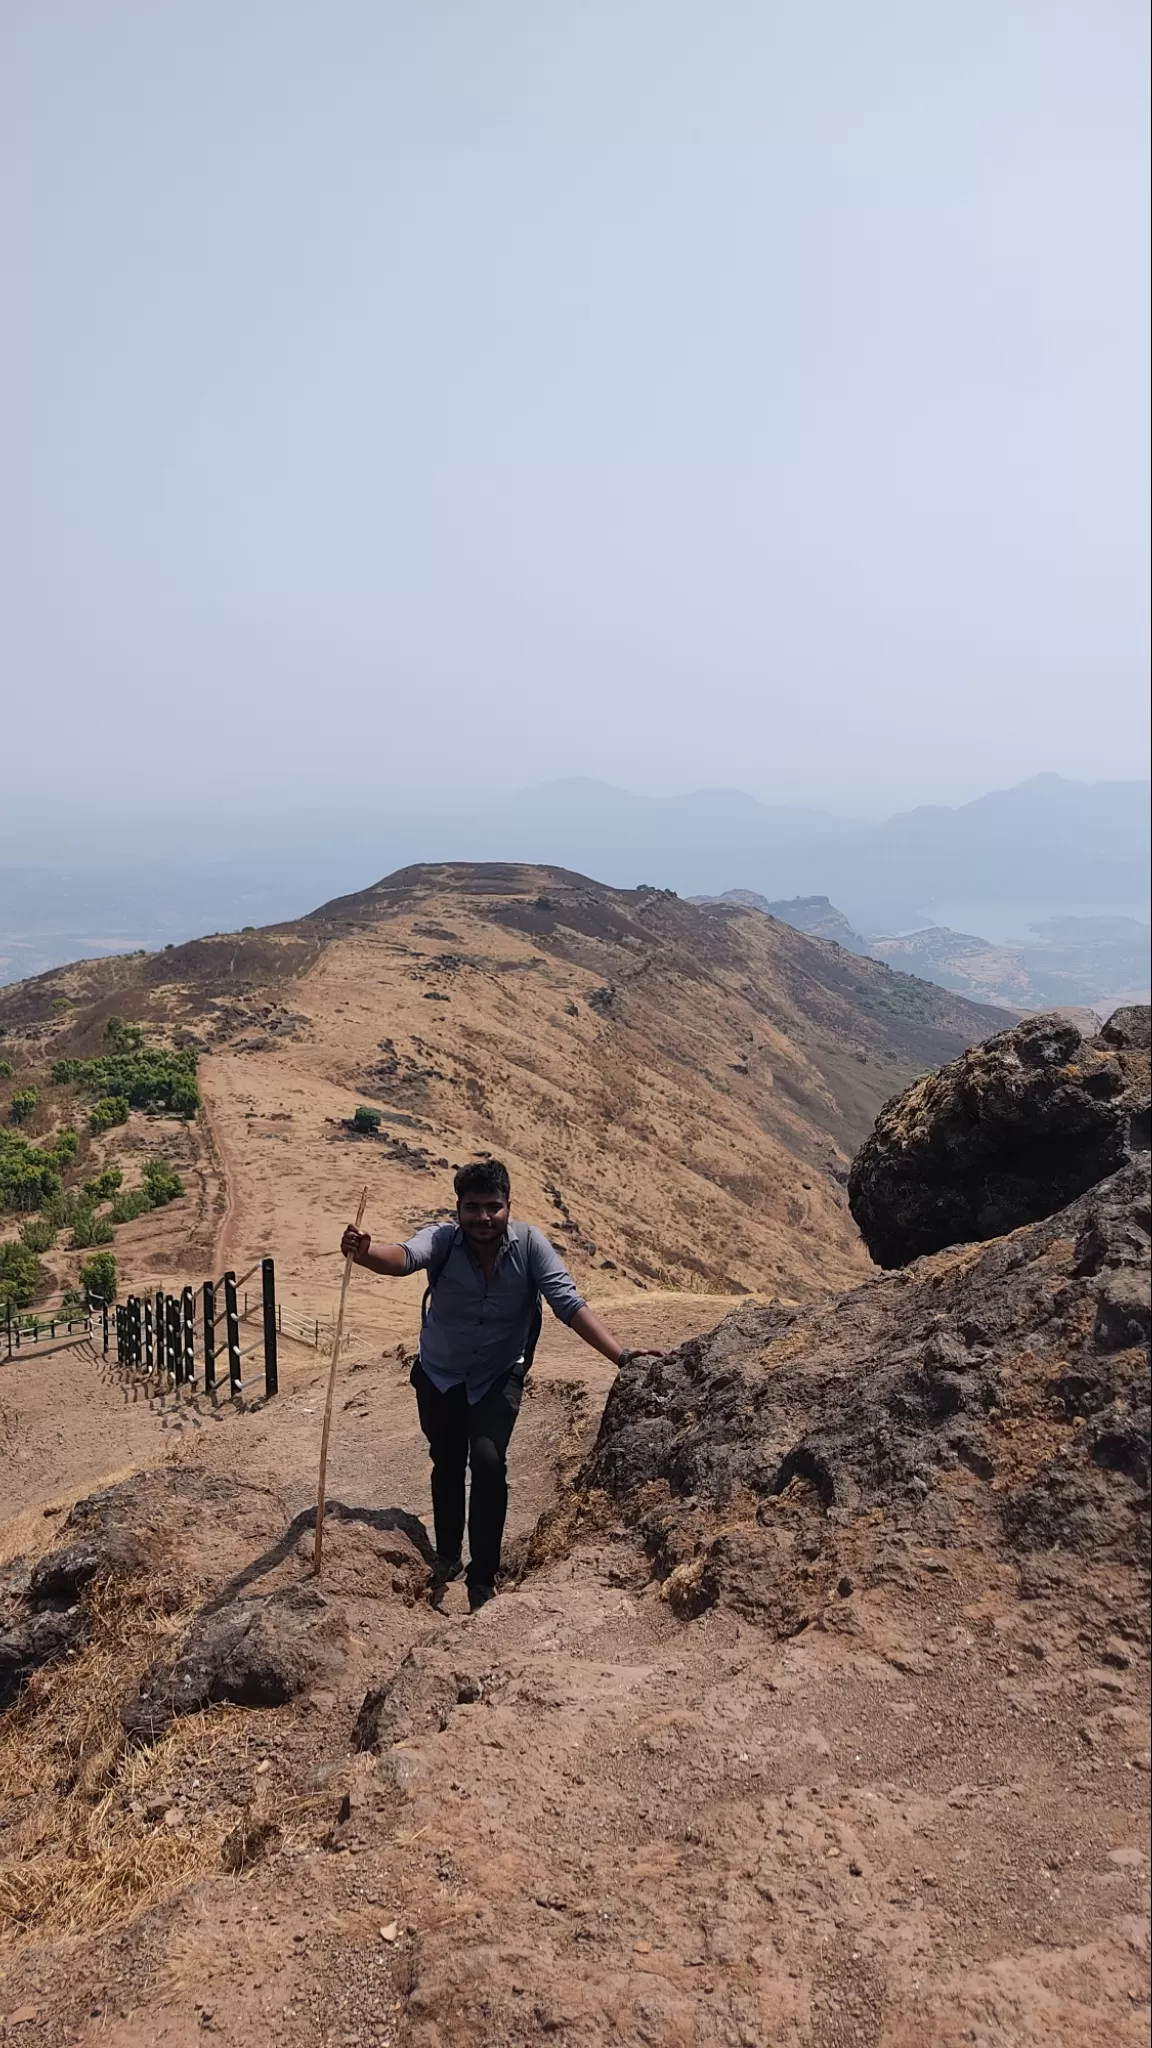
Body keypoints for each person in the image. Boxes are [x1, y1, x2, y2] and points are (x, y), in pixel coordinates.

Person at [341, 1159, 659, 1612]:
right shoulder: (442, 1240)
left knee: (489, 1463)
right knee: (447, 1461)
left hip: (498, 1372)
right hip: (440, 1373)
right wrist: (366, 1252)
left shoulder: (530, 1246)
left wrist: (622, 1357)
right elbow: (402, 1259)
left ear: (509, 1206)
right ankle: (448, 1557)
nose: (484, 1218)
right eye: (473, 1207)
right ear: (458, 1209)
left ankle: (483, 1578)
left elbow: (568, 1304)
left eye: (494, 1206)